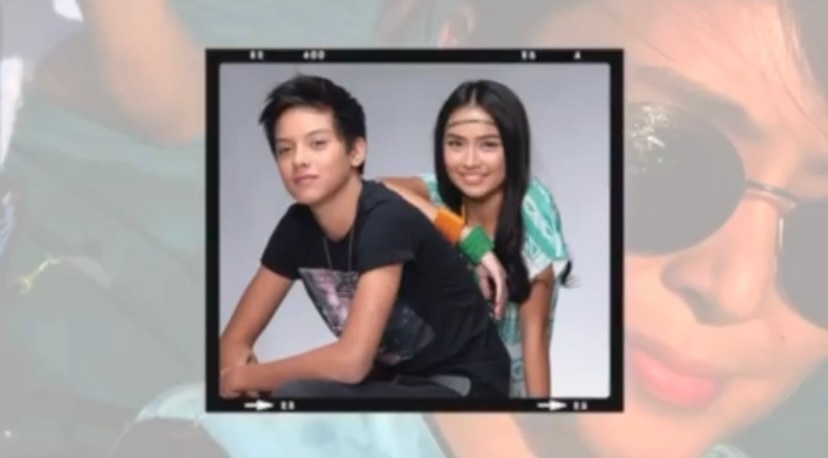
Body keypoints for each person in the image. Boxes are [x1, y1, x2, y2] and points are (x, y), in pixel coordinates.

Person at [219, 74, 511, 400]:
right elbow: (233, 343)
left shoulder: (384, 219)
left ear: (356, 151)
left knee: (298, 393)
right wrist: (238, 381)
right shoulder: (296, 227)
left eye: (317, 143)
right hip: (393, 382)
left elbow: (351, 362)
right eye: (284, 149)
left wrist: (242, 377)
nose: (298, 159)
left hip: (463, 384)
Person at [380, 78, 573, 398]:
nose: (469, 162)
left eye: (488, 145)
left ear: (513, 147)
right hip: (434, 380)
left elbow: (535, 344)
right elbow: (373, 190)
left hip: (501, 394)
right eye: (456, 144)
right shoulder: (439, 196)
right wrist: (464, 235)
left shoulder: (531, 221)